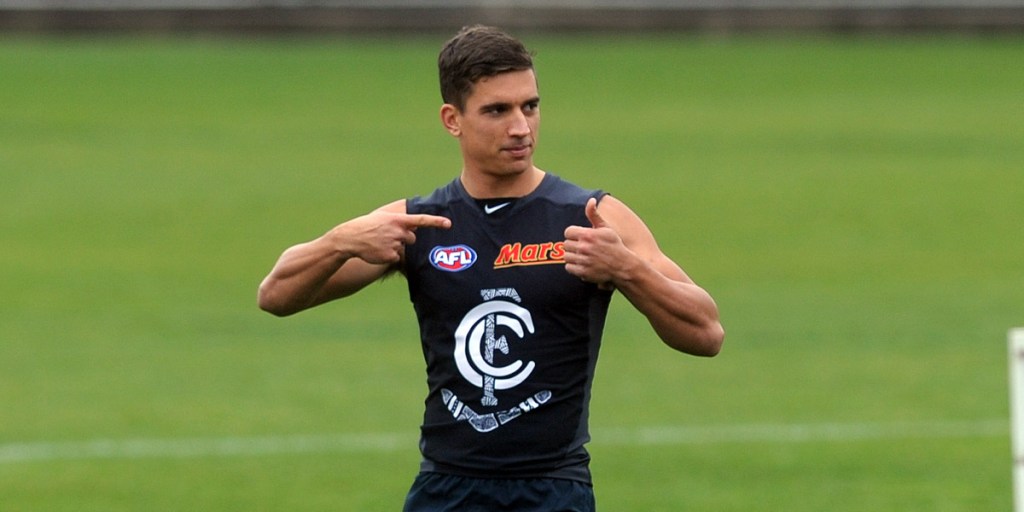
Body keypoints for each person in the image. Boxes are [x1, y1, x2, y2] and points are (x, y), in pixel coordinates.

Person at [258, 25, 724, 512]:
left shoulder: (591, 216)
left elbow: (707, 332)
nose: (521, 127)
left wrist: (629, 270)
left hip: (553, 489)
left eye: (531, 106)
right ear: (452, 119)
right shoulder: (420, 224)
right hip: (446, 488)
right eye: (497, 110)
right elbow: (275, 295)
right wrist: (337, 242)